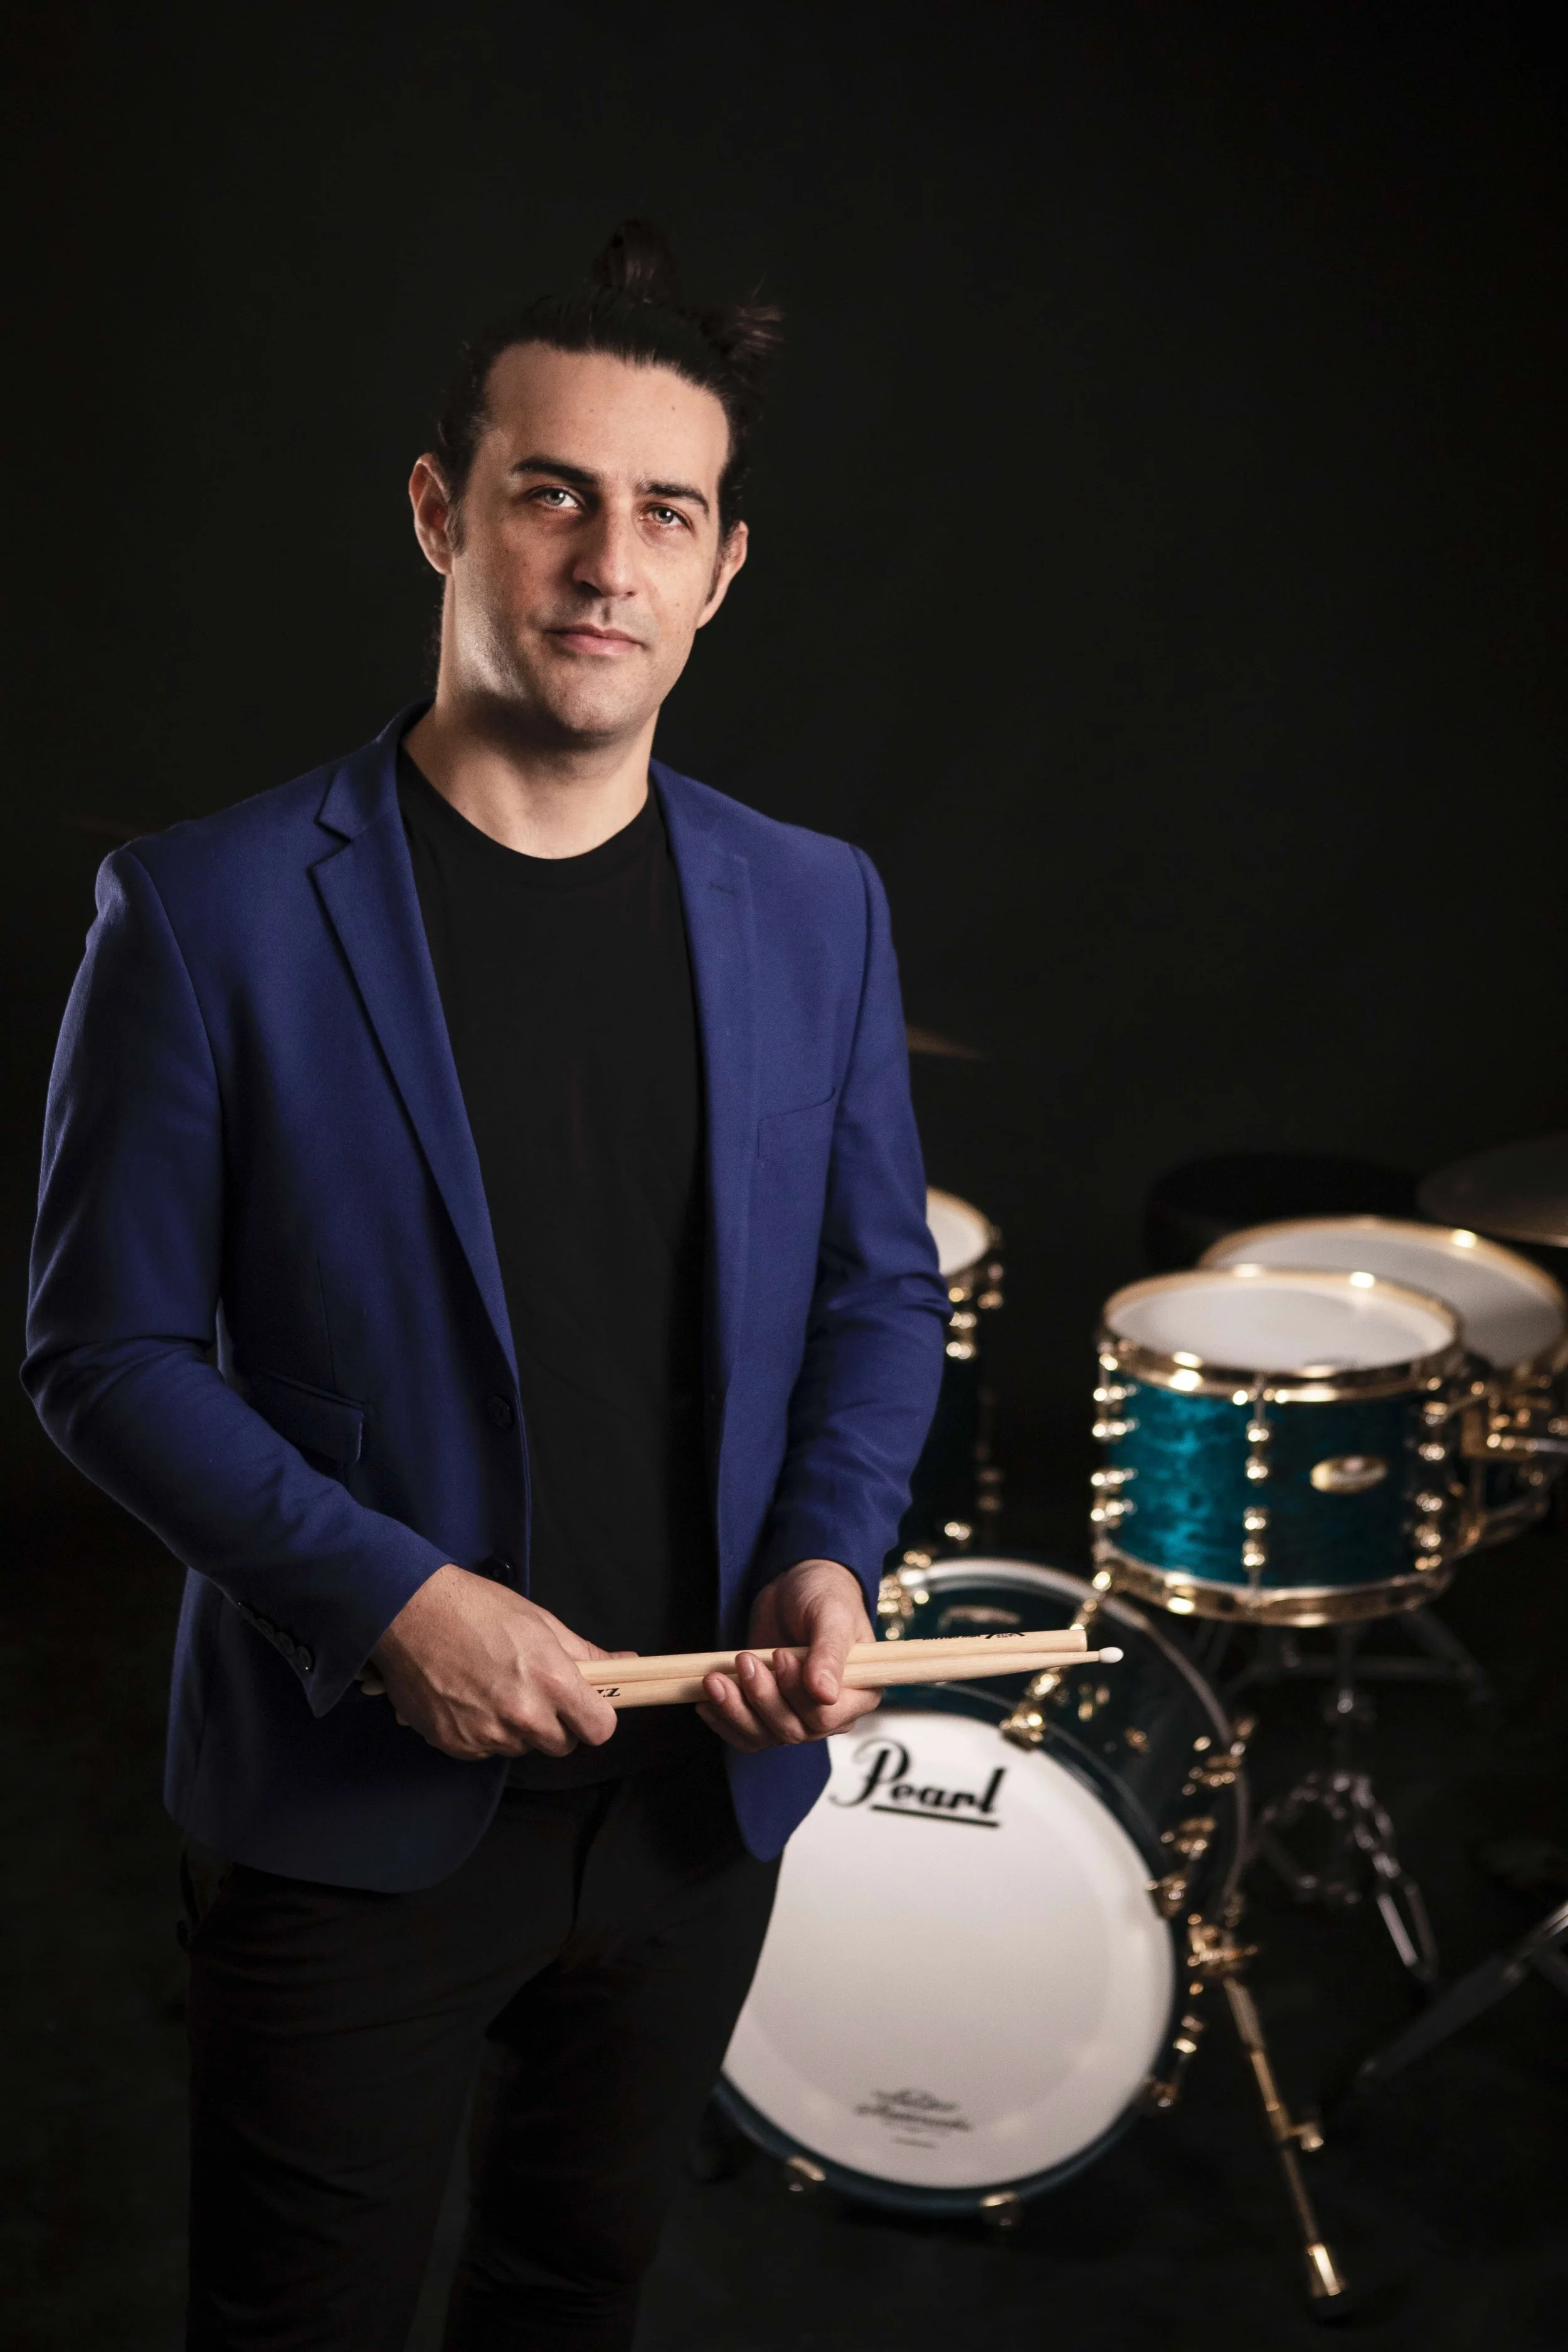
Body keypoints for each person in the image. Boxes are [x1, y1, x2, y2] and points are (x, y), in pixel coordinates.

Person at [23, 220, 948, 2351]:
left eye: (665, 512)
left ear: (722, 567)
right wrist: (394, 1609)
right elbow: (102, 1353)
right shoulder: (205, 911)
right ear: (445, 512)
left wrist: (825, 1550)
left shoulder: (815, 904)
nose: (605, 561)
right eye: (553, 492)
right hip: (354, 1819)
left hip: (695, 1798)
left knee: (571, 2293)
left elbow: (875, 1298)